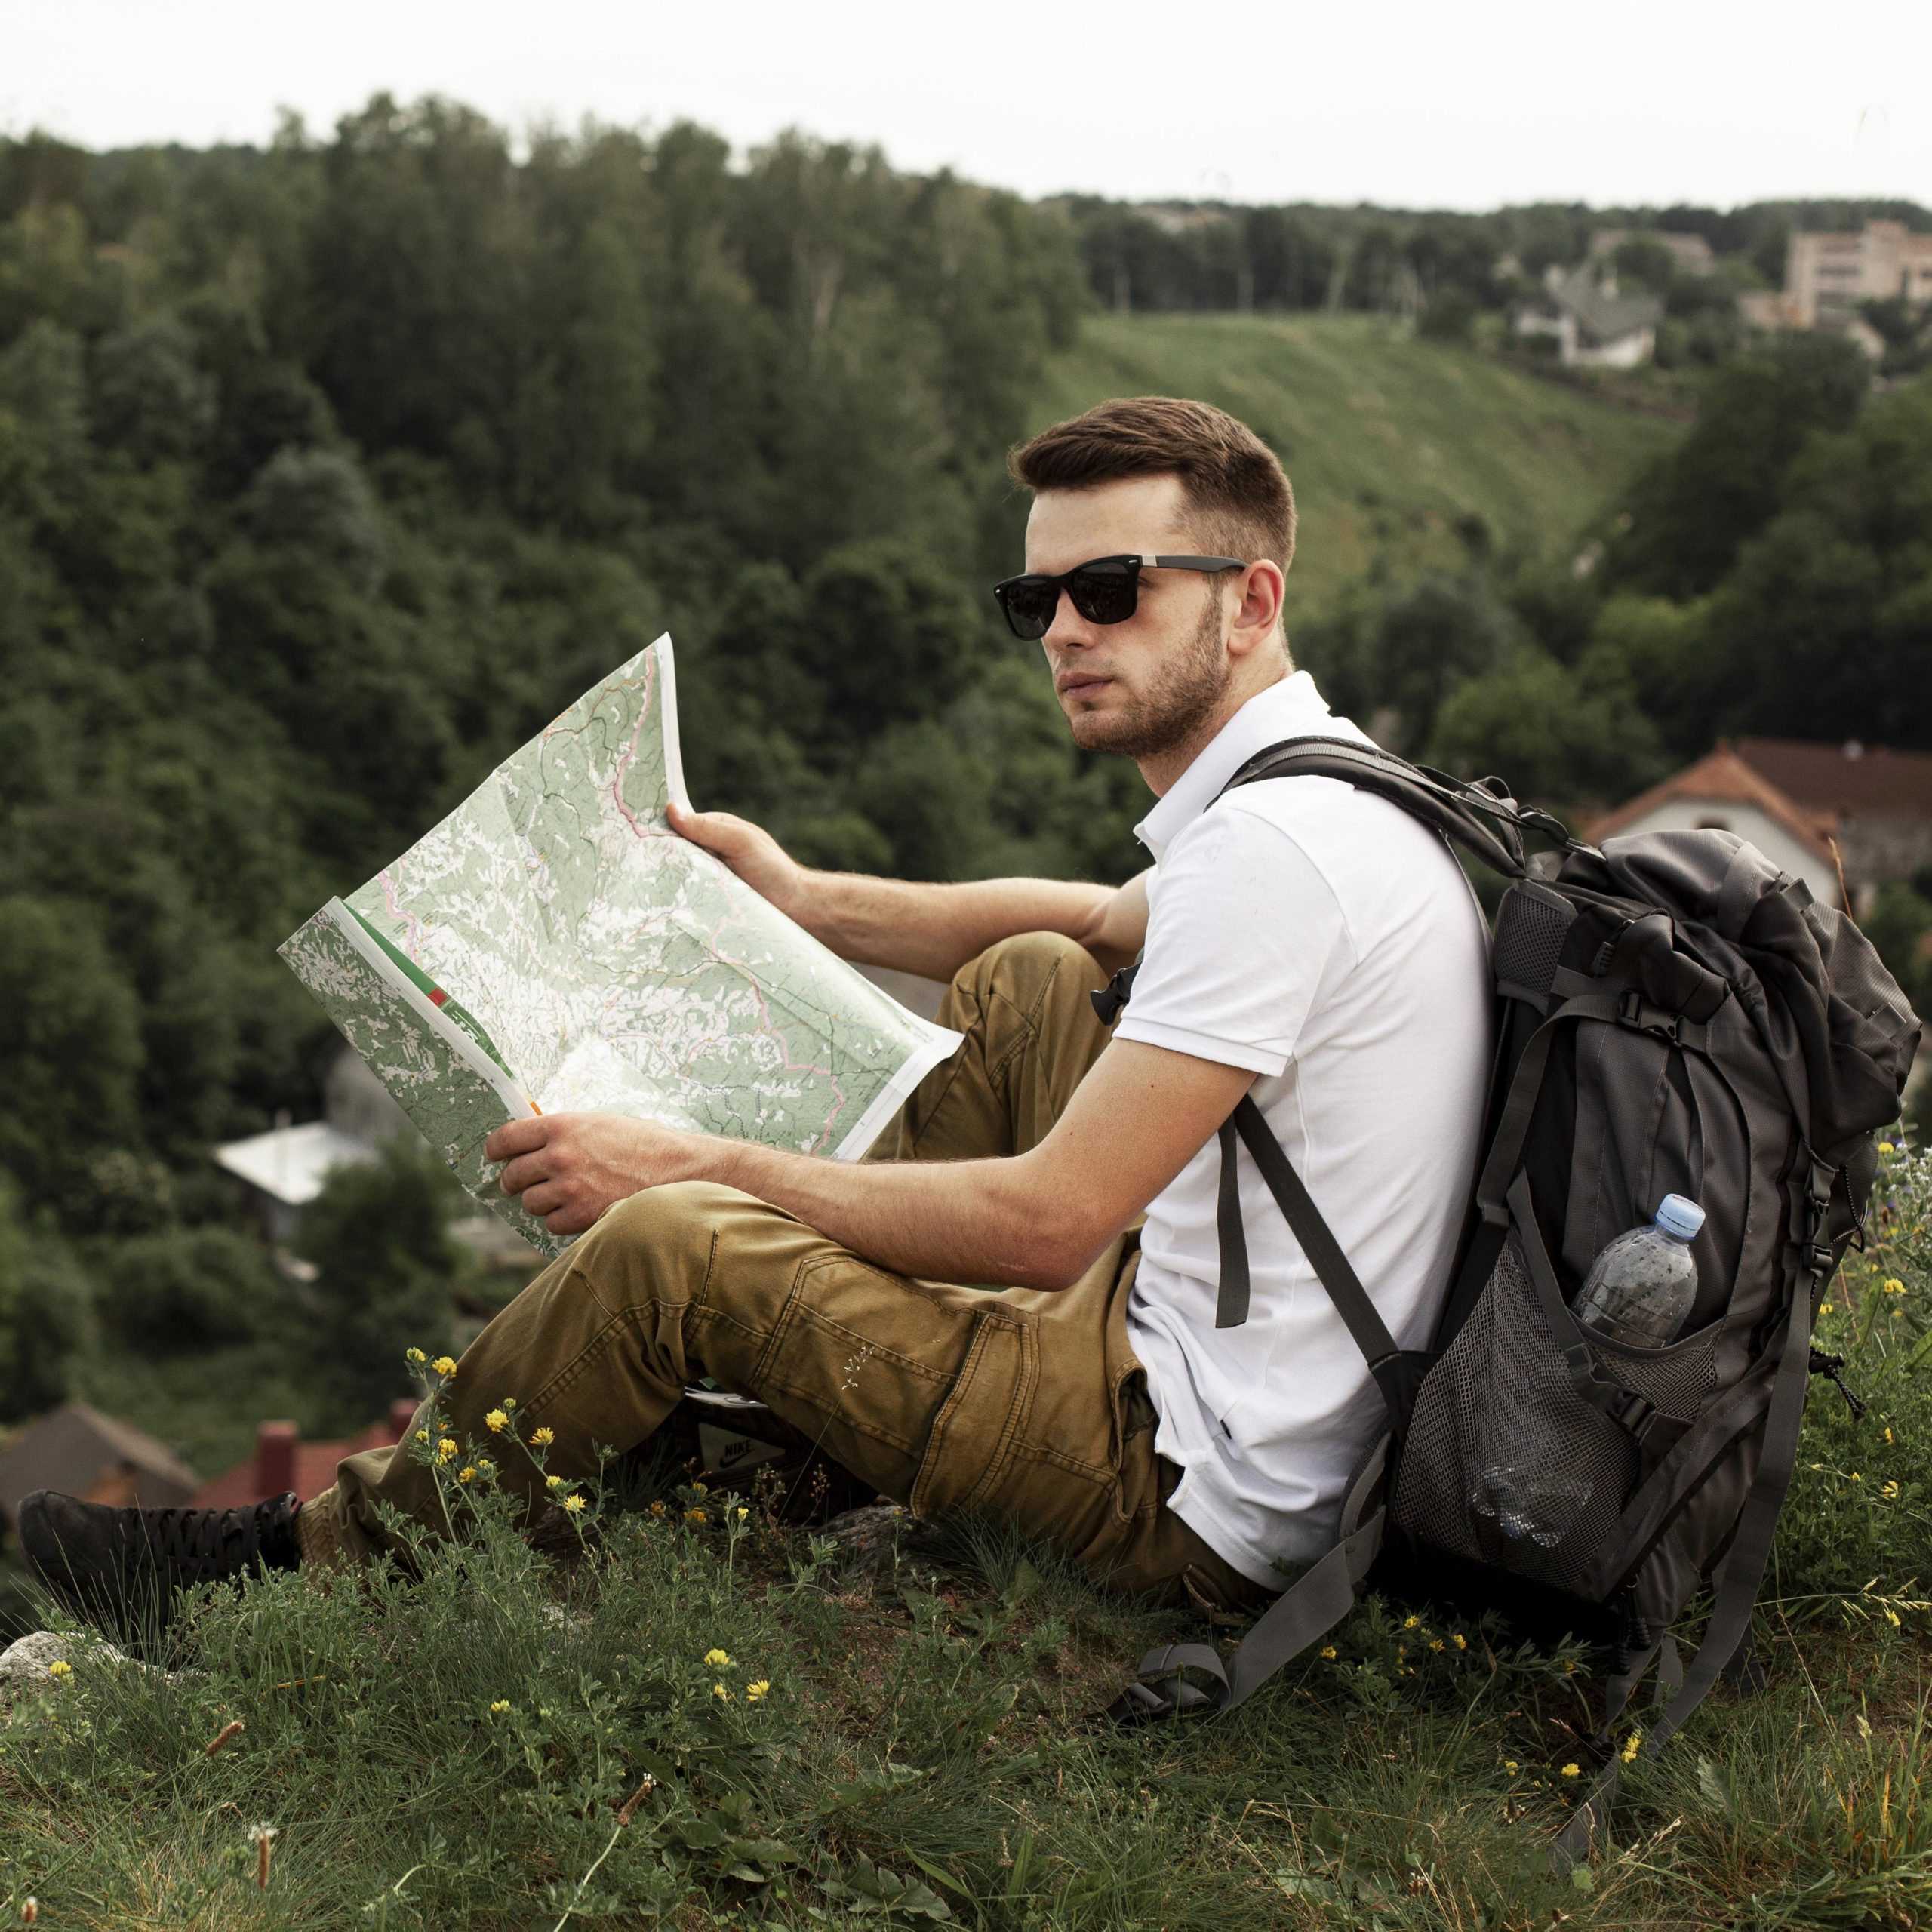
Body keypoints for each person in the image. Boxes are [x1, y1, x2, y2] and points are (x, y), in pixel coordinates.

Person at [21, 396, 1491, 1631]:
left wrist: (680, 1166)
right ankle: (807, 1401)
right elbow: (1099, 920)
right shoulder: (1329, 801)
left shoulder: (1274, 861)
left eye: (1110, 590)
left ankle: (290, 1586)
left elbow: (1045, 1224)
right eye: (1032, 599)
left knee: (672, 1245)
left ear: (1250, 596)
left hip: (1190, 1481)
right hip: (1240, 1374)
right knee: (1032, 978)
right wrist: (802, 895)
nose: (1060, 630)